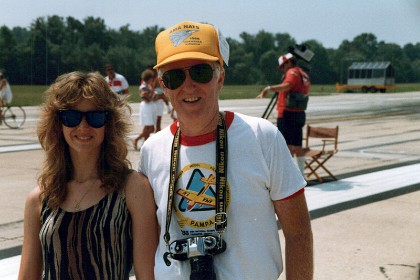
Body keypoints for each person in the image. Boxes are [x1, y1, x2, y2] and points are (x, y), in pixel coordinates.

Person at [138, 21, 313, 280]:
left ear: (220, 76)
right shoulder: (152, 149)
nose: (188, 86)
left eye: (200, 72)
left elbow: (298, 233)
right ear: (163, 86)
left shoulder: (261, 137)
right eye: (174, 77)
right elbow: (147, 241)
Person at [18, 71, 157, 279]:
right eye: (71, 117)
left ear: (109, 123)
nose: (83, 127)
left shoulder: (132, 188)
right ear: (58, 123)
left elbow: (148, 275)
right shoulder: (39, 199)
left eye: (95, 117)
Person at [257, 53, 311, 175]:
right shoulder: (304, 74)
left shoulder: (292, 72)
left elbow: (287, 85)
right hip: (299, 113)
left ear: (289, 62)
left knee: (285, 145)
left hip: (287, 113)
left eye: (283, 66)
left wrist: (269, 88)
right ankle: (300, 174)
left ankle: (287, 175)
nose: (283, 69)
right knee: (297, 145)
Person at [133, 69, 156, 150]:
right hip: (146, 107)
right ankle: (137, 139)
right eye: (152, 78)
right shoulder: (144, 87)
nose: (153, 80)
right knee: (150, 128)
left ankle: (145, 143)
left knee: (148, 127)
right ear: (148, 78)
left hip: (148, 107)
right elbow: (145, 98)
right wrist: (152, 91)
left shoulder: (147, 86)